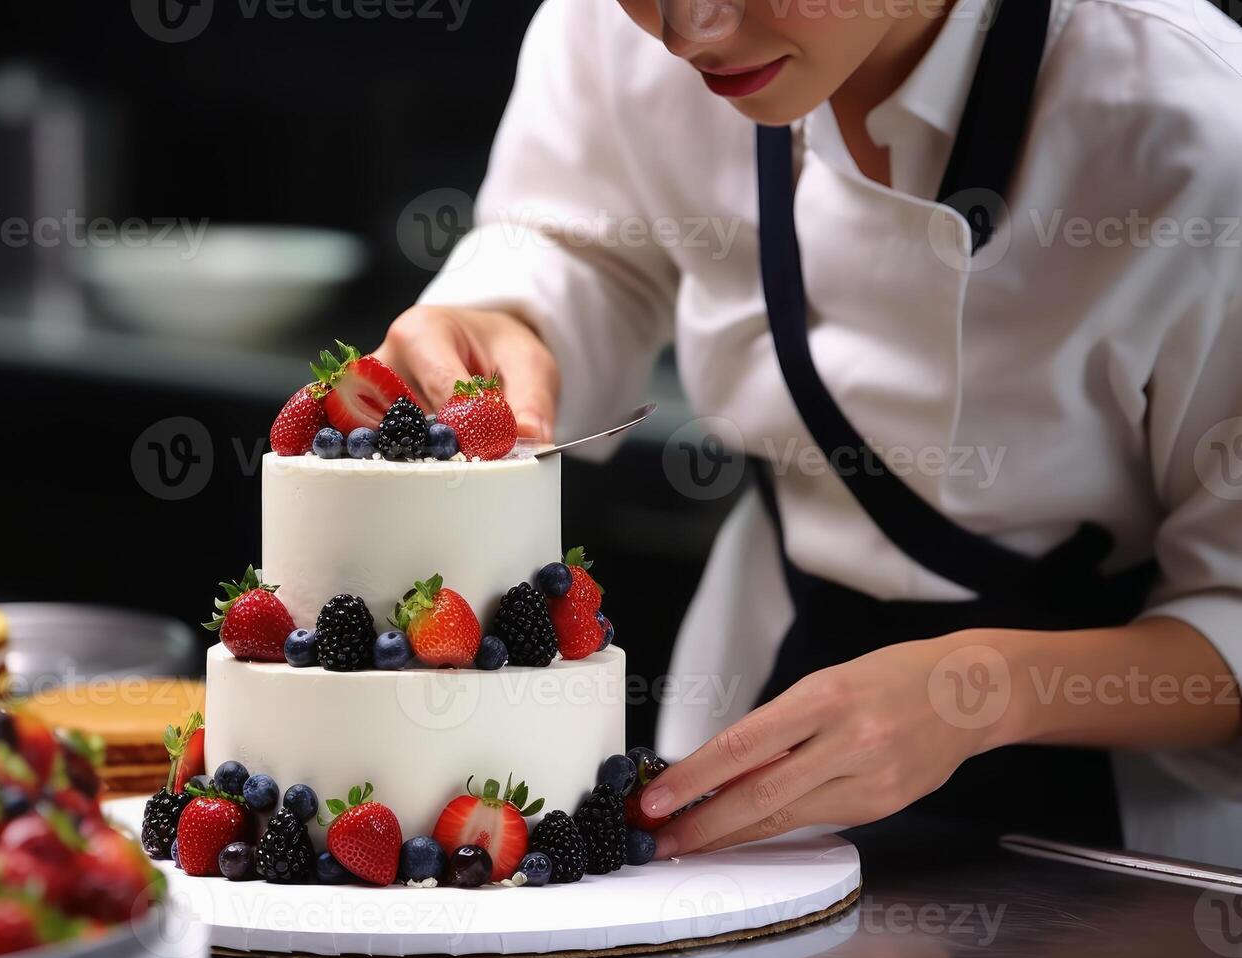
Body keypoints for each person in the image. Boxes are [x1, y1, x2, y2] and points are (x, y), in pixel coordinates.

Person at [375, 0, 1242, 865]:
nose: (692, 33)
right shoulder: (607, 26)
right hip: (755, 723)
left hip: (1130, 819)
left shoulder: (1198, 126)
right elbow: (583, 245)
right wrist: (507, 319)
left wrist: (977, 689)